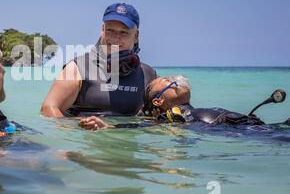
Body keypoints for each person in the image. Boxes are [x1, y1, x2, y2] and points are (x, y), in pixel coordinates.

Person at [41, 3, 157, 118]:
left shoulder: (147, 74)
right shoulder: (78, 67)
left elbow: (157, 117)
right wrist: (74, 129)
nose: (116, 38)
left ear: (136, 36)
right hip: (85, 133)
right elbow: (48, 109)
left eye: (124, 32)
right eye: (110, 30)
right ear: (102, 29)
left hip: (127, 132)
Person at [79, 76, 290, 130]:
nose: (174, 79)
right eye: (167, 81)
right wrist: (109, 126)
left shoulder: (191, 113)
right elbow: (140, 126)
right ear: (158, 100)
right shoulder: (169, 120)